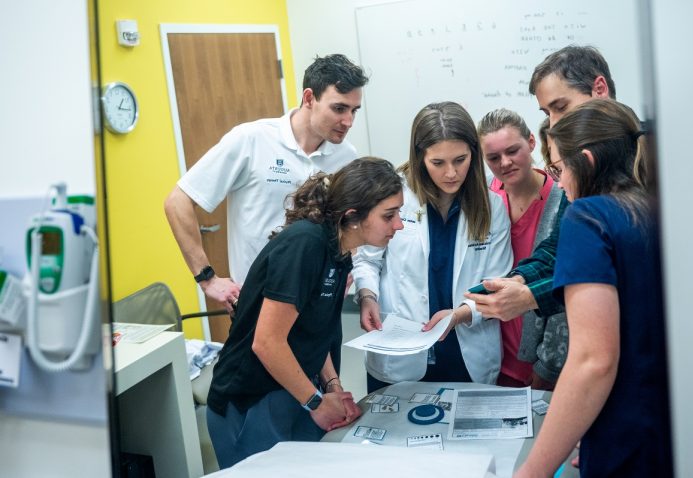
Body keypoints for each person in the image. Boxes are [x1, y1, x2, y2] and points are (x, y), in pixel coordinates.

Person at [205, 157, 404, 468]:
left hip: (296, 389)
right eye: (389, 216)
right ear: (353, 216)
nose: (399, 225)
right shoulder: (305, 245)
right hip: (251, 401)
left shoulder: (339, 250)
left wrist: (333, 387)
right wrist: (315, 403)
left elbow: (315, 328)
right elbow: (267, 342)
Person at [514, 100, 672, 478]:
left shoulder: (588, 218)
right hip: (665, 430)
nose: (561, 181)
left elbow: (593, 361)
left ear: (585, 160)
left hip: (626, 439)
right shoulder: (654, 210)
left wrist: (532, 471)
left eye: (559, 168)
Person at [164, 54, 369, 312]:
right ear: (309, 98)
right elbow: (178, 202)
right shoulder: (251, 139)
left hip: (319, 304)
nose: (348, 121)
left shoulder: (346, 157)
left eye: (354, 110)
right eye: (339, 108)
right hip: (259, 304)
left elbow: (348, 224)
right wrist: (207, 278)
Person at [352, 102, 513, 392]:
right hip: (400, 348)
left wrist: (460, 314)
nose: (451, 173)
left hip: (465, 351)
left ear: (473, 155)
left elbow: (499, 284)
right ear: (420, 157)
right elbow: (367, 258)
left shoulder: (492, 206)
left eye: (460, 160)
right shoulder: (396, 196)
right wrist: (367, 296)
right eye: (438, 163)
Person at [468, 45, 614, 332]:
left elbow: (606, 268)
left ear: (599, 89)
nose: (554, 124)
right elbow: (558, 248)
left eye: (560, 107)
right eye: (548, 113)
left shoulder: (640, 163)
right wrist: (519, 280)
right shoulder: (585, 171)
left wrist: (530, 296)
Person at [477, 111, 567, 390]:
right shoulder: (484, 200)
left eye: (512, 151)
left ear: (530, 142)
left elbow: (562, 285)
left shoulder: (563, 198)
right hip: (491, 355)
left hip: (542, 360)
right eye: (493, 158)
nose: (504, 163)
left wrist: (547, 367)